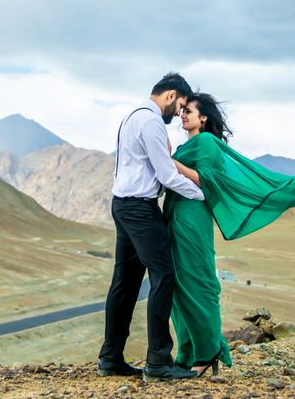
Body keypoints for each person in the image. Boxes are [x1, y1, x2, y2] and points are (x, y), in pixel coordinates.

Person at [167, 92, 295, 376]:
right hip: (174, 213)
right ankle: (186, 353)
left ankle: (207, 353)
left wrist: (170, 162)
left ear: (203, 117)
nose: (182, 115)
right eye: (182, 111)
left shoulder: (206, 142)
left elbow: (207, 179)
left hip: (191, 216)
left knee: (196, 282)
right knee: (176, 285)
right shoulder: (191, 143)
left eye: (188, 111)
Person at [97, 72, 205, 382]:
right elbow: (168, 175)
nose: (179, 112)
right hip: (140, 210)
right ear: (171, 96)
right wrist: (202, 195)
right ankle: (158, 361)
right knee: (164, 276)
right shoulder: (152, 122)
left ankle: (111, 358)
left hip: (123, 205)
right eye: (181, 105)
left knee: (125, 282)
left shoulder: (133, 115)